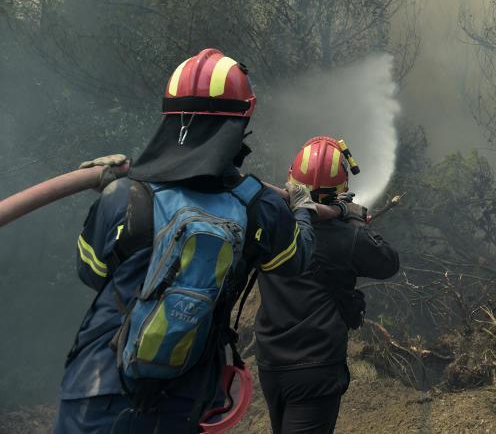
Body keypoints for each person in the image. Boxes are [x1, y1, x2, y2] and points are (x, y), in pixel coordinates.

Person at [55, 49, 320, 433]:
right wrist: (302, 208)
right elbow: (298, 259)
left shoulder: (126, 194)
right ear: (243, 119)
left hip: (95, 388)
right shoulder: (259, 206)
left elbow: (91, 272)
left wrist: (113, 197)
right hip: (183, 397)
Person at [256, 136, 400, 434]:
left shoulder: (270, 224)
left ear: (291, 179)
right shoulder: (349, 238)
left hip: (270, 363)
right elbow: (388, 262)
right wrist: (353, 220)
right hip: (316, 367)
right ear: (341, 190)